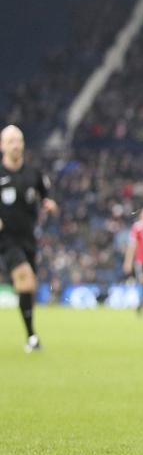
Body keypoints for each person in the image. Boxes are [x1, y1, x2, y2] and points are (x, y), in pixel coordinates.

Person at [0, 125, 57, 352]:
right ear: (2, 146)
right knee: (26, 280)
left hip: (28, 239)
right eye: (11, 141)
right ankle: (32, 337)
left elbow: (46, 197)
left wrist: (49, 205)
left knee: (29, 288)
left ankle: (30, 335)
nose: (16, 145)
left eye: (19, 140)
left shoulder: (34, 174)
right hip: (6, 239)